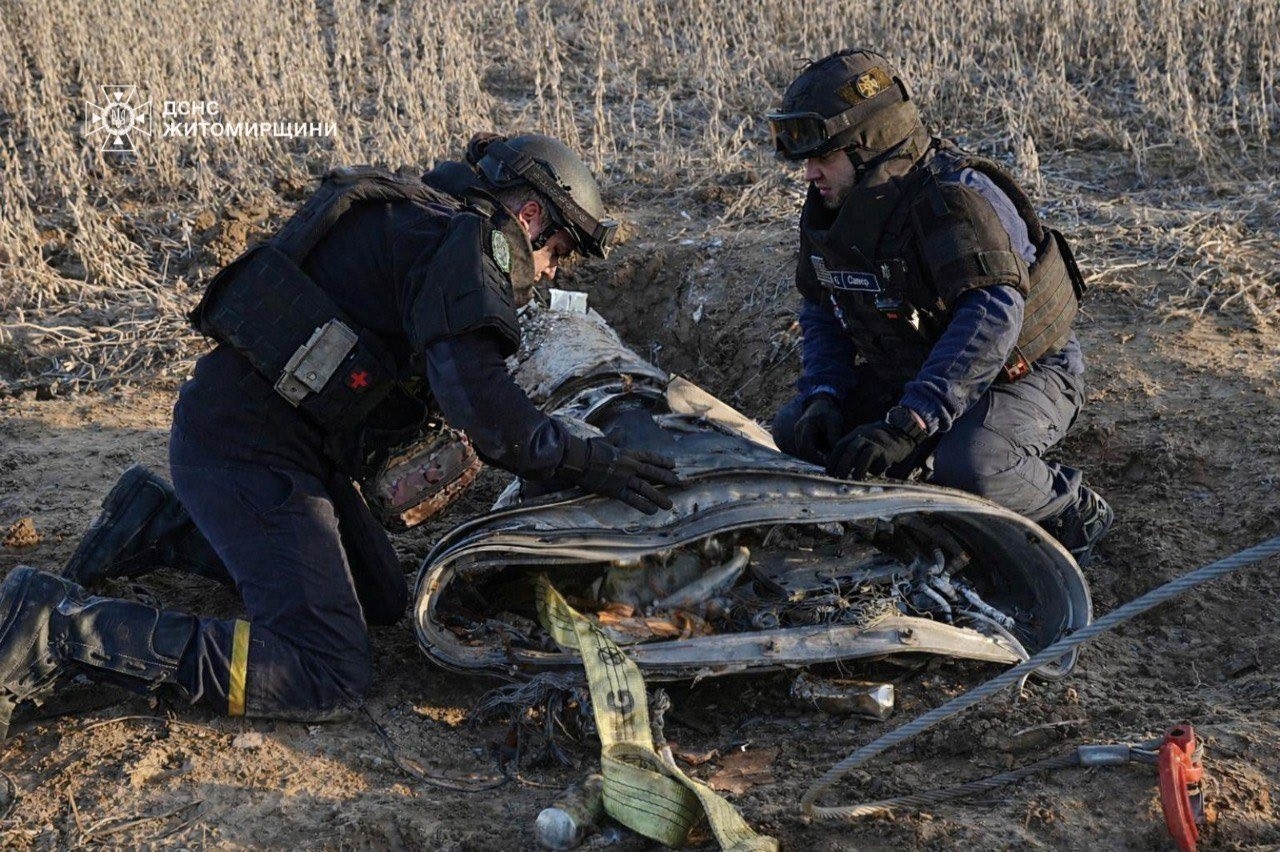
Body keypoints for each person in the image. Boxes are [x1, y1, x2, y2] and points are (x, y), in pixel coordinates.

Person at [0, 133, 678, 735]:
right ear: (530, 215)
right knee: (324, 667)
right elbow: (493, 419)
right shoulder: (469, 250)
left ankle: (157, 524)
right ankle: (56, 627)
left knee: (382, 600)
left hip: (267, 442)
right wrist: (594, 462)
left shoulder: (426, 220)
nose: (551, 272)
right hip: (245, 453)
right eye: (556, 252)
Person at [766, 49, 1112, 565]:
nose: (810, 174)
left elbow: (992, 317)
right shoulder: (832, 209)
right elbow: (823, 307)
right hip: (918, 368)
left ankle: (1071, 506)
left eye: (824, 157)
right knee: (797, 432)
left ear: (870, 147)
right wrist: (824, 393)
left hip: (1022, 375)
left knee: (974, 462)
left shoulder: (955, 198)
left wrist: (911, 423)